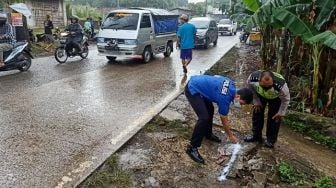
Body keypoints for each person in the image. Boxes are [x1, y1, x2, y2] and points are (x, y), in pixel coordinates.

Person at [185, 75, 253, 164]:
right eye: (242, 103)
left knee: (210, 109)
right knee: (204, 117)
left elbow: (216, 76)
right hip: (192, 88)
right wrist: (231, 136)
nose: (241, 105)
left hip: (199, 83)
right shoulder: (224, 99)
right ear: (238, 96)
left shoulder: (231, 84)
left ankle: (207, 134)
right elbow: (224, 121)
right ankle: (192, 148)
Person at [244, 70, 290, 148]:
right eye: (263, 85)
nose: (266, 87)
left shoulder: (281, 86)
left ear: (273, 81)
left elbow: (286, 99)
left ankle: (271, 140)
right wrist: (256, 101)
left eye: (269, 86)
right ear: (259, 80)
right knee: (257, 113)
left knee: (274, 118)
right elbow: (249, 89)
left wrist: (281, 112)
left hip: (276, 98)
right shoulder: (252, 78)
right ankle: (256, 136)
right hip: (260, 95)